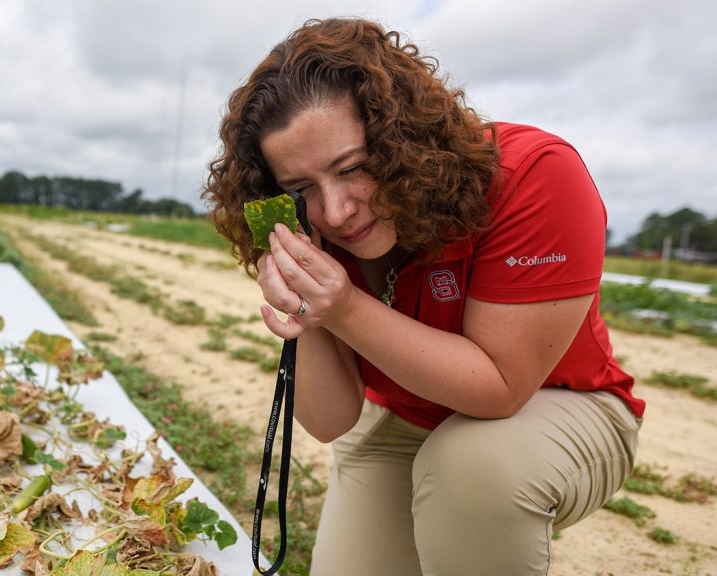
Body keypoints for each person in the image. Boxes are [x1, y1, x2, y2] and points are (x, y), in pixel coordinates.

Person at [202, 17, 645, 576]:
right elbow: (330, 420)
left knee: (472, 469)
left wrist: (345, 307)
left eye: (354, 168)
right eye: (301, 188)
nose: (336, 211)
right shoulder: (314, 231)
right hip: (405, 421)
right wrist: (308, 312)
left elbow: (502, 388)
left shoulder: (533, 174)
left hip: (558, 407)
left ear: (403, 139)